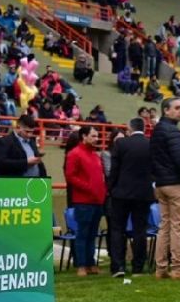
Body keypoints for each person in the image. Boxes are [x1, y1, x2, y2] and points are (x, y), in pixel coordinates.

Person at [150, 97, 180, 280]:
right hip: (177, 184)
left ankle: (161, 268)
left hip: (161, 184)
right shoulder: (173, 132)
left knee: (165, 226)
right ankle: (178, 268)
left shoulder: (156, 131)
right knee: (178, 226)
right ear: (166, 110)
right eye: (177, 108)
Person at [108, 117, 154, 277]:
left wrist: (111, 188)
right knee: (140, 230)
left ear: (130, 128)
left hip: (122, 193)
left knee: (117, 229)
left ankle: (118, 266)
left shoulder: (121, 144)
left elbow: (114, 170)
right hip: (144, 193)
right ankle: (138, 267)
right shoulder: (151, 145)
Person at [64, 126, 106, 277]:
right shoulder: (74, 154)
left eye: (97, 136)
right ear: (84, 136)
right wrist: (88, 187)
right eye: (93, 136)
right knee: (83, 234)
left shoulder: (95, 155)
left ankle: (90, 263)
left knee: (92, 234)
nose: (96, 139)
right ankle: (81, 265)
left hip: (97, 201)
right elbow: (71, 176)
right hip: (83, 201)